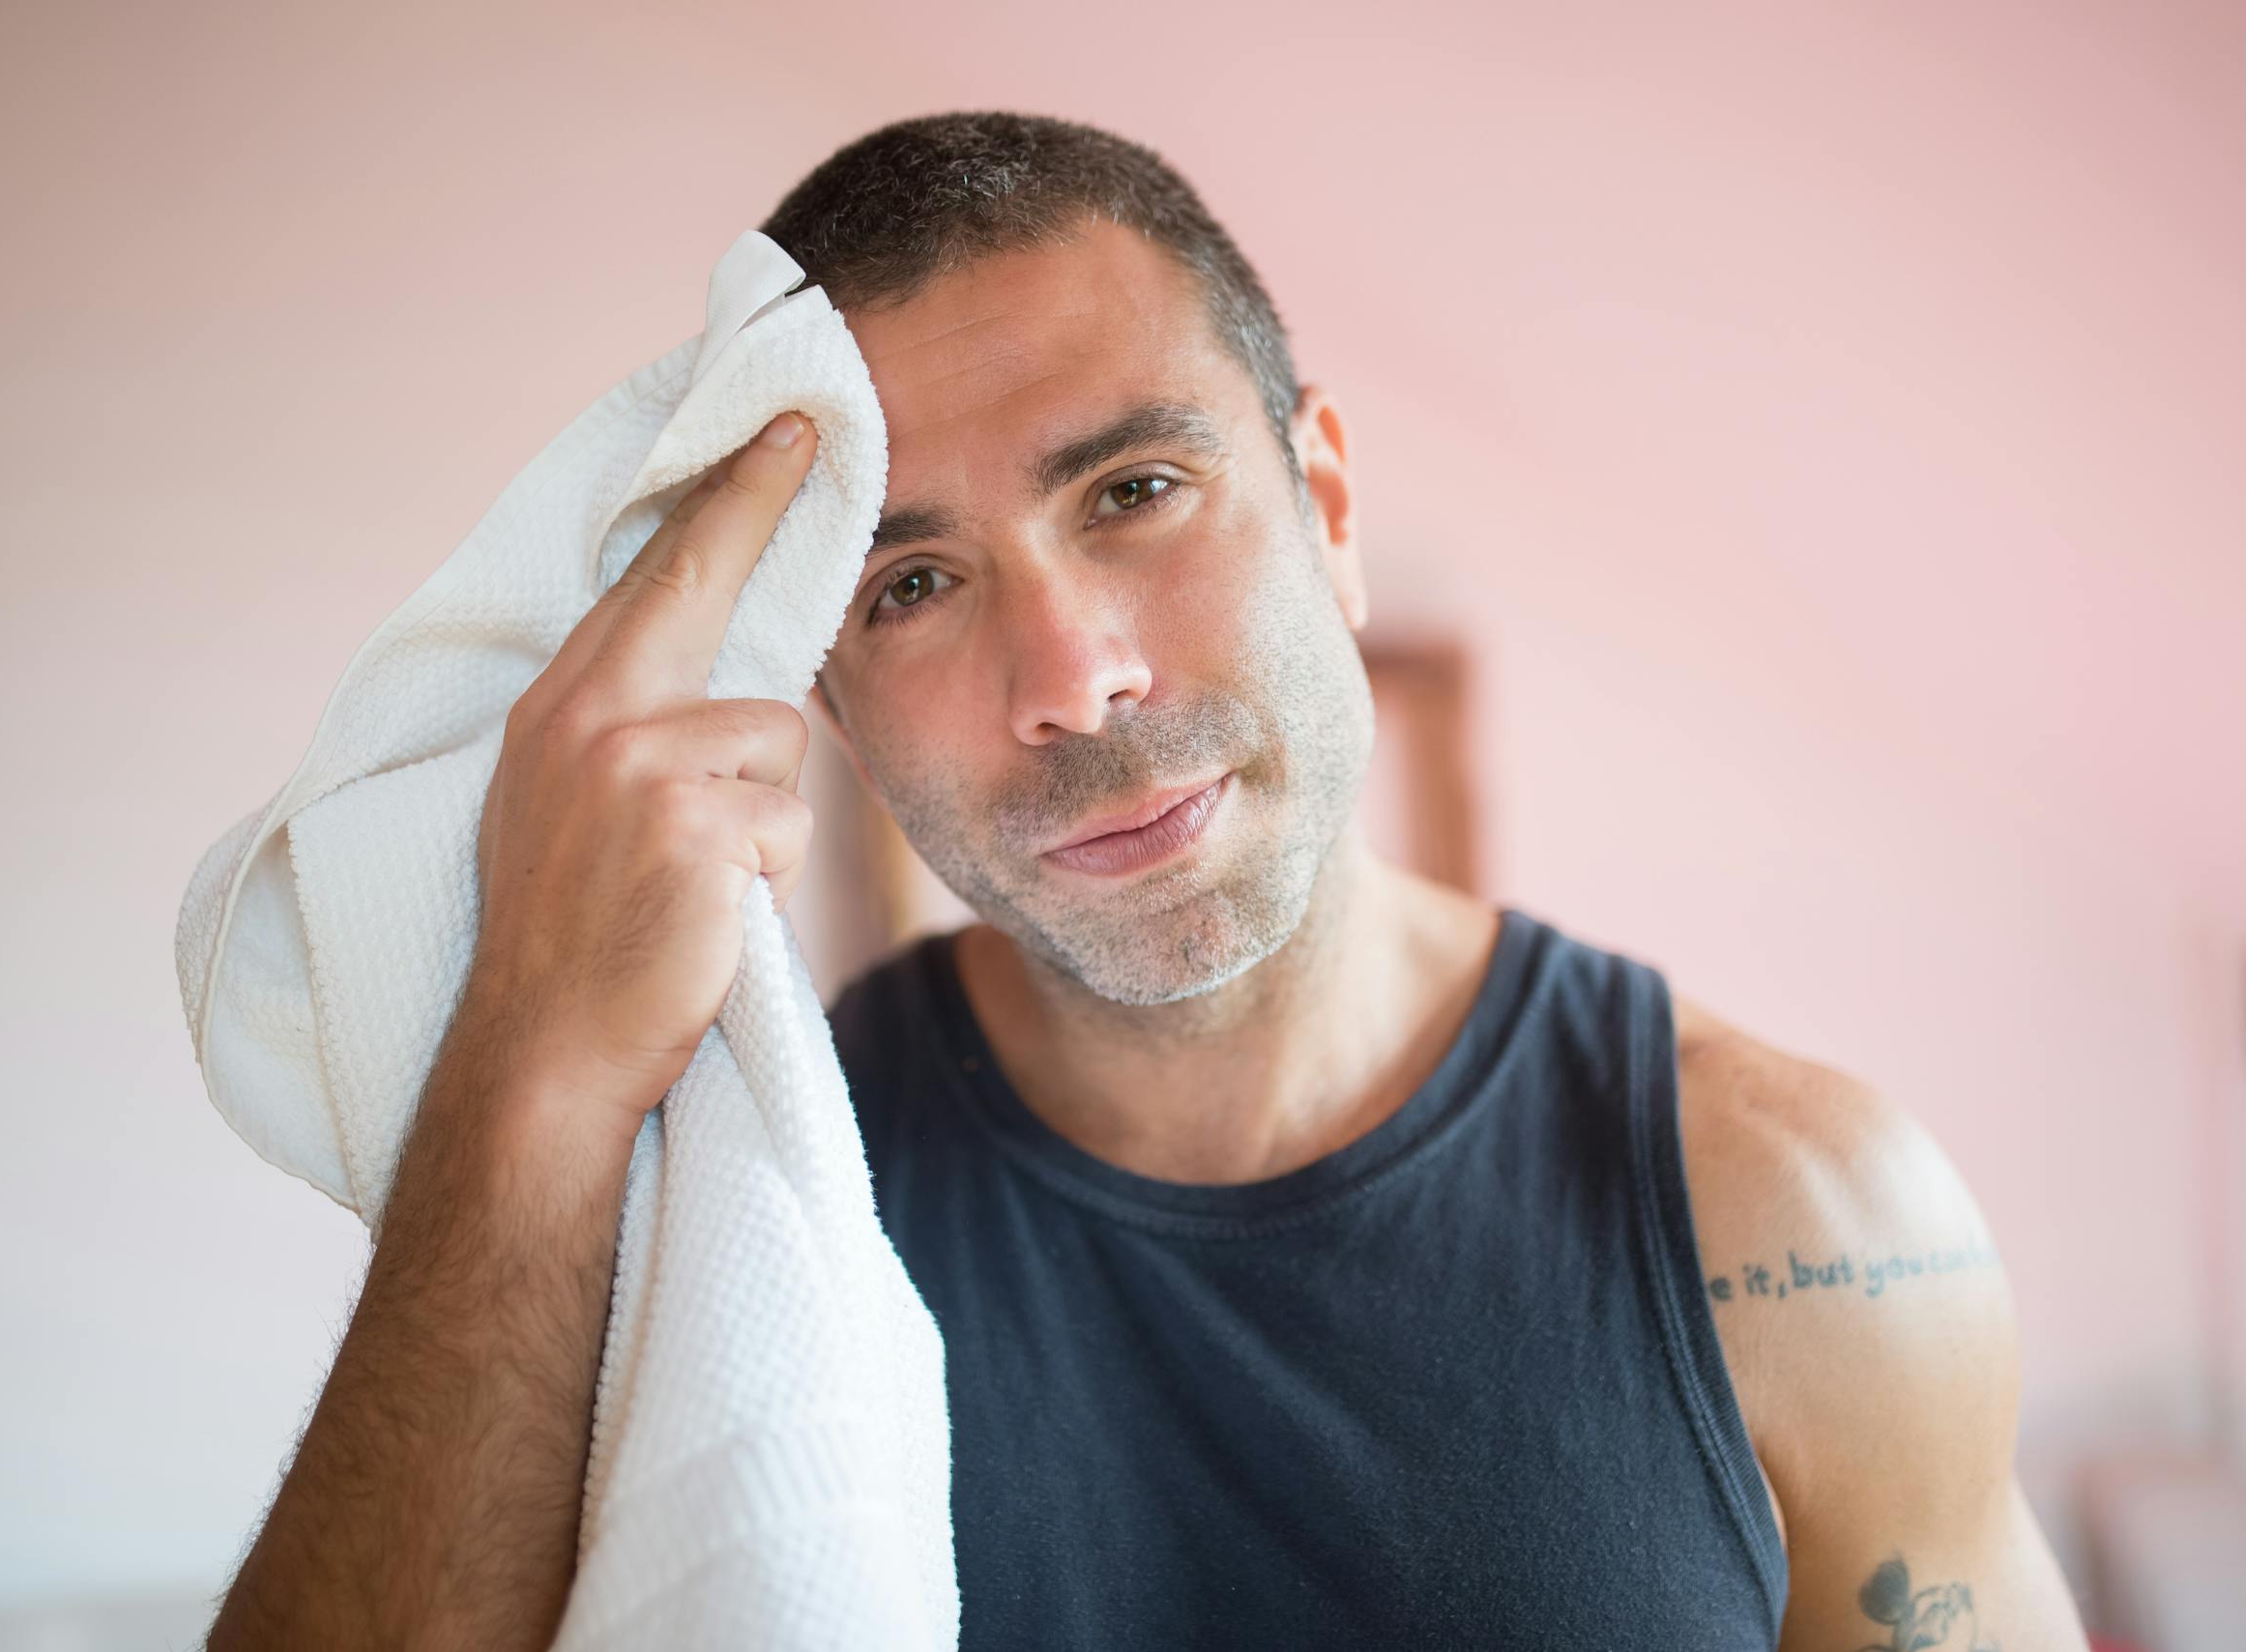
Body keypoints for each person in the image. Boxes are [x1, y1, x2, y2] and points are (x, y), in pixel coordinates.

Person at [207, 114, 2088, 1650]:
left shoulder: (1799, 1217)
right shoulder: (725, 1230)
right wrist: (528, 1066)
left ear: (1323, 506)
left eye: (1129, 492)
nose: (1069, 681)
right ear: (829, 699)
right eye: (911, 584)